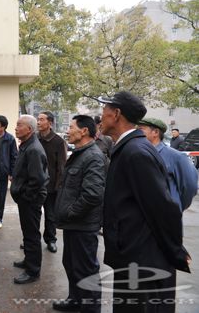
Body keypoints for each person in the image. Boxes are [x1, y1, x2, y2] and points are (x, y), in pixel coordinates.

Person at [97, 91, 190, 313]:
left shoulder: (135, 152)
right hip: (132, 255)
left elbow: (162, 207)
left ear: (117, 114)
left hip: (141, 260)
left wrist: (176, 250)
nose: (101, 116)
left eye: (104, 111)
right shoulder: (127, 147)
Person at [53, 115, 106, 313]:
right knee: (72, 265)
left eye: (71, 127)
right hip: (73, 224)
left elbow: (92, 194)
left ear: (84, 131)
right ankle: (75, 300)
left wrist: (70, 212)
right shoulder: (80, 153)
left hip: (83, 225)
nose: (68, 131)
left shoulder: (93, 156)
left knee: (86, 271)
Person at [10, 115, 49, 284]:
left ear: (29, 130)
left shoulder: (33, 148)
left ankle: (33, 271)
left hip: (30, 200)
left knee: (32, 235)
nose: (16, 128)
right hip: (25, 198)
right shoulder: (26, 145)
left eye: (19, 125)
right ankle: (28, 260)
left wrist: (25, 195)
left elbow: (37, 180)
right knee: (27, 232)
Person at [138, 117, 198, 211]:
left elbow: (190, 187)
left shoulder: (176, 157)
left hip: (166, 216)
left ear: (156, 132)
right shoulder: (140, 154)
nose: (137, 133)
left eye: (141, 129)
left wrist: (175, 206)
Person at [36, 111, 67, 253]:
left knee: (50, 215)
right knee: (34, 214)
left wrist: (58, 186)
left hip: (51, 185)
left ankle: (51, 239)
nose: (38, 122)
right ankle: (32, 240)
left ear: (50, 123)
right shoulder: (34, 138)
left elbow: (61, 166)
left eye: (42, 120)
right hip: (35, 184)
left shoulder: (58, 141)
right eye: (38, 119)